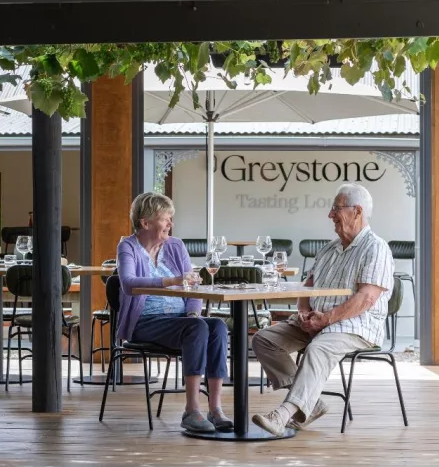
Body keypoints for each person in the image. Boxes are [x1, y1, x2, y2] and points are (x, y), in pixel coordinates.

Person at [251, 183, 394, 437]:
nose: (330, 215)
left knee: (318, 348)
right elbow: (308, 285)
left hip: (356, 325)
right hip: (317, 321)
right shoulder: (329, 249)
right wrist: (305, 313)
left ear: (357, 211)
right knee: (264, 339)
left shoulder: (376, 247)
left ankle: (283, 414)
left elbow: (366, 299)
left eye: (336, 209)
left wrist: (326, 319)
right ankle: (310, 402)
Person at [116, 191, 231, 433]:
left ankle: (215, 408)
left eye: (171, 218)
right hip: (144, 323)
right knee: (197, 327)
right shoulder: (128, 246)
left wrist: (191, 313)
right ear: (145, 223)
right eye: (165, 218)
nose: (171, 223)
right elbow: (128, 282)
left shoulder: (176, 246)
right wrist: (172, 280)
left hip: (180, 322)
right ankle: (191, 410)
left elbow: (193, 289)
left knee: (216, 326)